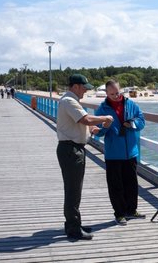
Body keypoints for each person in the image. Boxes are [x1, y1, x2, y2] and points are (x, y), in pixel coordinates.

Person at [56, 74, 114, 240]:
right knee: (73, 190)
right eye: (84, 88)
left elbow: (81, 124)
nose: (86, 91)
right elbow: (86, 119)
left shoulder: (70, 101)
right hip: (71, 150)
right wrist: (105, 118)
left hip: (71, 148)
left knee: (74, 189)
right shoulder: (69, 101)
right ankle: (73, 229)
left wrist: (92, 129)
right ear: (75, 86)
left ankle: (73, 223)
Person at [95, 80, 145, 226]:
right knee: (116, 185)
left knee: (132, 183)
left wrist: (132, 124)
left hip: (131, 152)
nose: (116, 96)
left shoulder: (131, 104)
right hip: (113, 153)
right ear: (106, 93)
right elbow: (97, 132)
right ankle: (120, 213)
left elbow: (142, 121)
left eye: (117, 92)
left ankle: (132, 210)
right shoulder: (102, 109)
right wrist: (105, 126)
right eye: (112, 94)